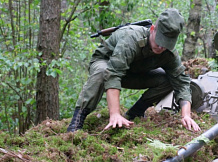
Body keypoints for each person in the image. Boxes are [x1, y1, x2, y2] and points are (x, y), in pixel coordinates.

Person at [67, 8, 201, 132]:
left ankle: (134, 114)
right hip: (106, 63)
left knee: (167, 79)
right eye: (159, 41)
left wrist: (186, 115)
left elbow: (182, 82)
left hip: (131, 72)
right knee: (103, 71)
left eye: (166, 44)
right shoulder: (131, 39)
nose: (161, 47)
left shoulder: (169, 53)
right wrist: (114, 114)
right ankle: (77, 121)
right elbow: (113, 74)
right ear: (153, 29)